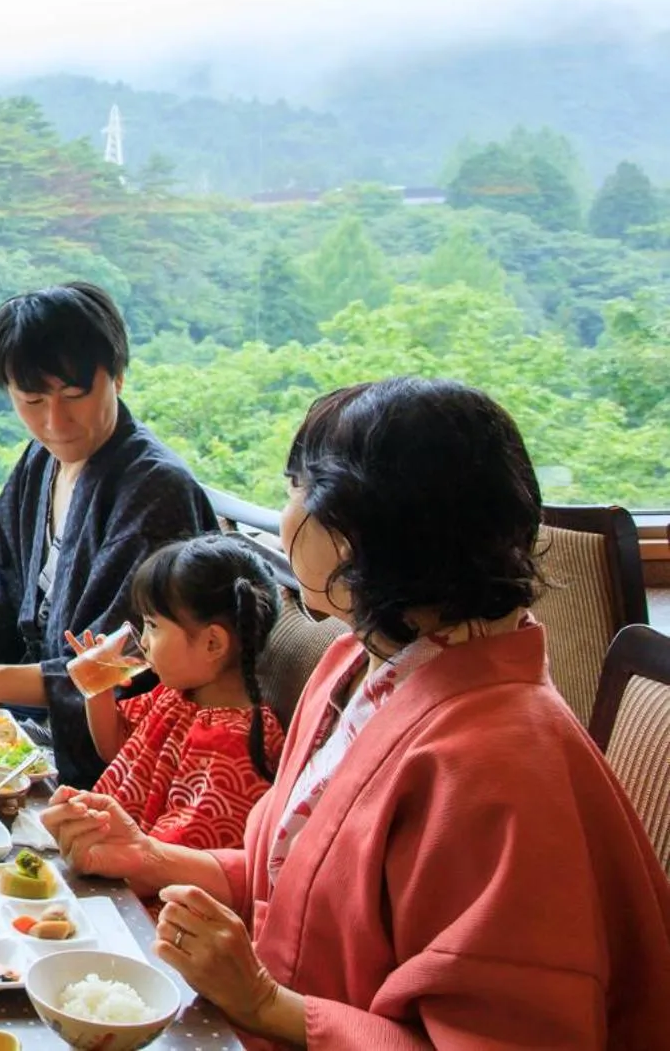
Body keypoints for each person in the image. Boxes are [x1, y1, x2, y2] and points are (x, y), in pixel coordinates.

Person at [42, 378, 670, 1047]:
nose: (284, 519)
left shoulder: (499, 769)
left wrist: (261, 1001)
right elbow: (288, 878)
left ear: (360, 530)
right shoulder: (356, 662)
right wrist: (148, 855)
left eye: (293, 489)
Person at [0, 283, 216, 787]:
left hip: (118, 753)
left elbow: (117, 666)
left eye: (75, 395)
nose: (55, 421)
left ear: (118, 377)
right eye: (32, 399)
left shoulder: (155, 492)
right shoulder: (43, 459)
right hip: (34, 720)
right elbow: (13, 584)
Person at [69, 534, 285, 851]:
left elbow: (180, 849)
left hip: (143, 883)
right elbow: (115, 747)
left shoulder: (232, 743)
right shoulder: (178, 696)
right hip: (111, 852)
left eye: (152, 626)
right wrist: (100, 687)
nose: (142, 641)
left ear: (213, 643)